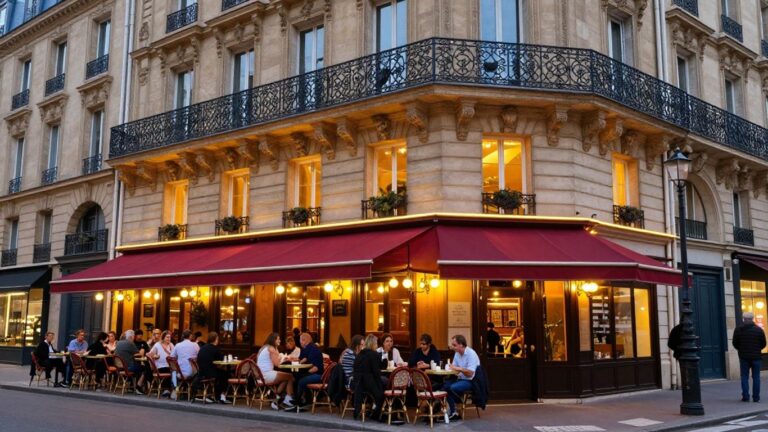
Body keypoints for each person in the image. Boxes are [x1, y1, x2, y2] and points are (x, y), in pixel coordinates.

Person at [443, 334, 480, 421]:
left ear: (461, 345)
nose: (452, 347)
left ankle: (457, 405)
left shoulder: (471, 354)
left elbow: (470, 373)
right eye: (452, 345)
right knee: (445, 386)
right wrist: (449, 368)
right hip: (460, 378)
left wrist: (459, 368)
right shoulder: (457, 353)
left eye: (454, 345)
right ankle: (454, 412)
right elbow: (454, 368)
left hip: (471, 381)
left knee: (452, 387)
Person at [733, 312, 767, 402]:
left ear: (744, 319)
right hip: (756, 357)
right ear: (752, 319)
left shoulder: (738, 330)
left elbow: (735, 343)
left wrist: (740, 349)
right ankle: (756, 397)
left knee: (744, 377)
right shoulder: (759, 330)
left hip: (744, 357)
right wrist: (757, 349)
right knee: (756, 377)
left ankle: (745, 396)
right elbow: (763, 343)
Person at [257, 333, 296, 410]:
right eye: (278, 339)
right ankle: (288, 400)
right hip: (266, 374)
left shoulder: (265, 347)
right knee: (290, 376)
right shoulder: (271, 348)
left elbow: (276, 360)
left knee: (286, 378)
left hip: (261, 375)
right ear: (273, 340)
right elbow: (277, 364)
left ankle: (277, 399)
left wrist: (284, 358)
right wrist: (284, 358)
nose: (279, 341)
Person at [352, 334, 384, 421]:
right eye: (376, 343)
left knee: (382, 383)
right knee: (383, 390)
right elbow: (376, 372)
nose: (377, 345)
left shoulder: (360, 354)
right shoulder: (373, 354)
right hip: (367, 382)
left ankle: (372, 409)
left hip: (357, 383)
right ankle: (377, 414)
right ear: (373, 344)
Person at [195, 332, 230, 404]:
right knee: (224, 374)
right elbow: (222, 358)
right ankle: (221, 395)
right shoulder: (214, 348)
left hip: (201, 372)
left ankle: (216, 394)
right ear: (216, 339)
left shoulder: (203, 347)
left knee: (221, 373)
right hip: (210, 373)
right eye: (217, 339)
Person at [293, 332, 324, 409]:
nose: (300, 342)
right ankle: (305, 399)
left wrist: (306, 372)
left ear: (304, 340)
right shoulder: (308, 348)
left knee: (301, 380)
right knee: (297, 376)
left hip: (318, 375)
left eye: (301, 340)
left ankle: (298, 401)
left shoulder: (314, 350)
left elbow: (316, 368)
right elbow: (304, 358)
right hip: (316, 373)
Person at [115, 330, 146, 394]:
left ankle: (131, 388)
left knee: (137, 367)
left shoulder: (118, 343)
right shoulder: (130, 343)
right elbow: (140, 354)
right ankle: (138, 387)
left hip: (119, 368)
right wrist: (142, 348)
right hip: (128, 368)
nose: (134, 338)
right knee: (145, 368)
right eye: (134, 337)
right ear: (131, 337)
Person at [148, 330, 174, 397]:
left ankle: (174, 389)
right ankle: (167, 389)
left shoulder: (171, 345)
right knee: (168, 370)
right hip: (160, 366)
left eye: (170, 337)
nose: (169, 339)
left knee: (175, 371)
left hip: (170, 365)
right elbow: (150, 354)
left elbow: (174, 355)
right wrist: (155, 356)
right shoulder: (157, 345)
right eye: (167, 337)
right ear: (163, 337)